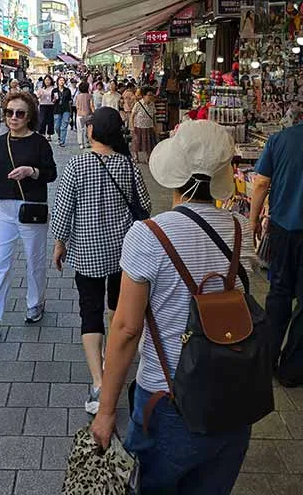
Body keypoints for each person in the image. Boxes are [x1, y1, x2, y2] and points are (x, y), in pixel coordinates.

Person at [91, 120, 254, 494]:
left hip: (166, 402)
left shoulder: (148, 235)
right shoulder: (240, 228)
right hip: (231, 399)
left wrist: (105, 410)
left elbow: (127, 329)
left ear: (174, 173)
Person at [52, 107, 151, 414]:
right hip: (125, 252)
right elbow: (145, 206)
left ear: (93, 132)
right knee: (117, 307)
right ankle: (114, 357)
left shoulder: (76, 165)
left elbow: (62, 212)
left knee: (89, 311)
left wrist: (59, 243)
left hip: (88, 253)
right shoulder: (128, 165)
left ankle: (98, 381)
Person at [0, 91, 57, 344]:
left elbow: (50, 173)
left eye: (20, 113)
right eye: (9, 112)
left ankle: (35, 302)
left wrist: (31, 171)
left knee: (35, 260)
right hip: (4, 209)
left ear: (30, 115)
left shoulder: (40, 143)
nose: (13, 117)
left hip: (32, 208)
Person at [250, 120, 303, 387]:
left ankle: (266, 360)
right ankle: (292, 369)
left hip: (283, 229)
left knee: (279, 295)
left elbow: (261, 183)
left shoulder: (281, 139)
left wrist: (252, 220)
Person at [131, 85, 157, 162]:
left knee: (149, 144)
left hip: (149, 126)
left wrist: (155, 127)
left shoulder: (152, 104)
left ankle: (148, 157)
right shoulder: (138, 104)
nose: (150, 97)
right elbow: (132, 116)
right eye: (149, 95)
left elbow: (154, 116)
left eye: (152, 95)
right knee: (137, 143)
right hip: (139, 126)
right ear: (144, 96)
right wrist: (132, 127)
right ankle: (136, 157)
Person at [52, 75, 72, 147]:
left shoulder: (67, 90)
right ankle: (60, 137)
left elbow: (70, 101)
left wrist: (70, 112)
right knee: (57, 127)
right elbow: (52, 101)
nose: (62, 82)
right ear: (57, 82)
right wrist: (54, 99)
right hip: (57, 109)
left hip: (66, 109)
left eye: (63, 80)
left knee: (64, 126)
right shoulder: (54, 90)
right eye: (60, 80)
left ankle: (62, 141)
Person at [76, 81, 93, 149]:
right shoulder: (90, 96)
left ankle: (81, 143)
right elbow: (92, 106)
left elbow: (77, 106)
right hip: (88, 114)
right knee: (88, 129)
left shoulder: (78, 96)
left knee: (80, 130)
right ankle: (88, 142)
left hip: (80, 115)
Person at [37, 74, 55, 141]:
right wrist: (39, 94)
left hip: (51, 105)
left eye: (49, 80)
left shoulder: (53, 88)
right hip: (43, 105)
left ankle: (49, 135)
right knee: (42, 120)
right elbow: (37, 96)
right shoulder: (41, 89)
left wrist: (54, 99)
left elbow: (55, 97)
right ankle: (42, 134)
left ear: (51, 81)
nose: (47, 81)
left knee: (50, 121)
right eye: (46, 80)